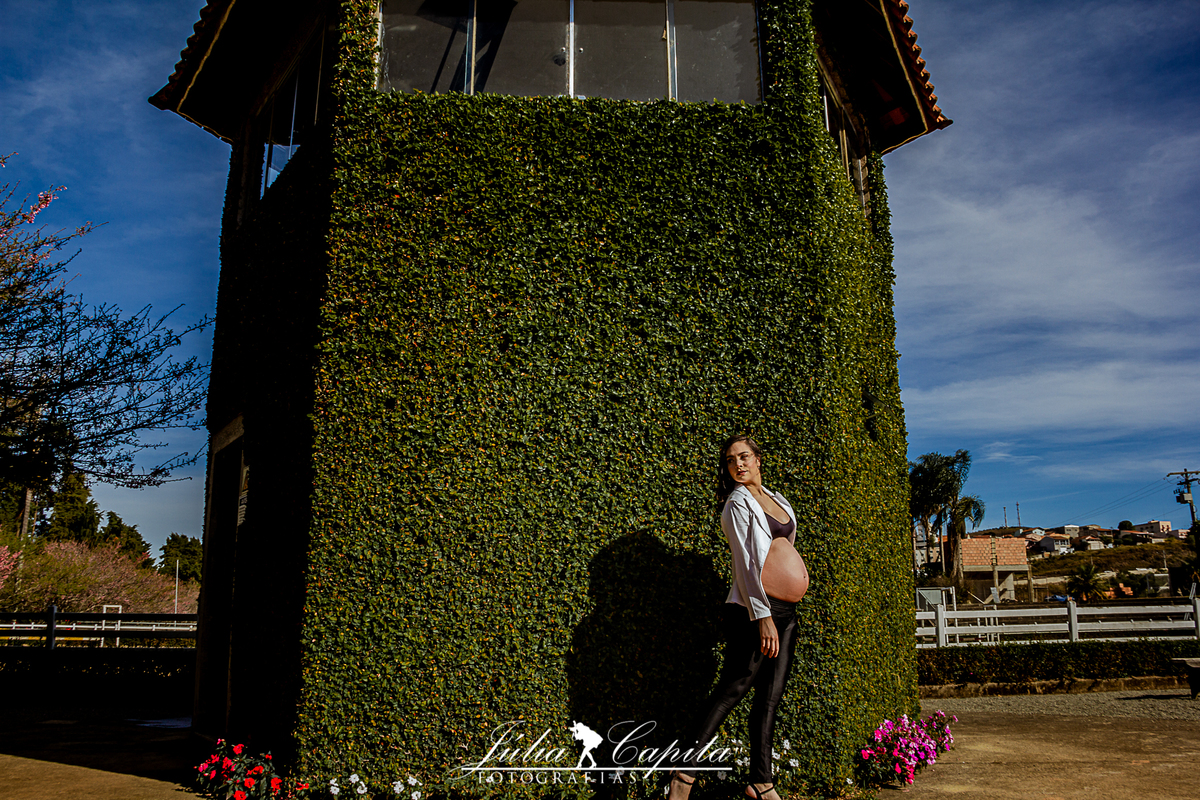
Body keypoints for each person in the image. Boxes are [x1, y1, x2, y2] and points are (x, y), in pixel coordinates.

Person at [668, 434, 810, 800]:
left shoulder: (778, 500)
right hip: (753, 611)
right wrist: (762, 616)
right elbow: (746, 565)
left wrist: (783, 602)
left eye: (744, 457)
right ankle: (683, 775)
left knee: (770, 696)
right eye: (731, 461)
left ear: (758, 458)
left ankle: (761, 783)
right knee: (733, 688)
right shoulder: (736, 504)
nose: (738, 465)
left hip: (786, 613)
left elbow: (781, 552)